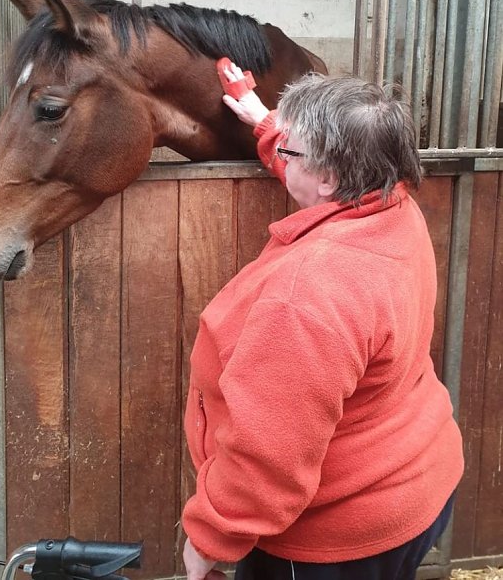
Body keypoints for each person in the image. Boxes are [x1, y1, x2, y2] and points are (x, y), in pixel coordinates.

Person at [181, 63, 464, 580]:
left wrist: (212, 537)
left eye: (291, 151)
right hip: (417, 484)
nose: (281, 154)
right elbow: (317, 180)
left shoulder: (307, 296)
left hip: (335, 538)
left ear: (331, 176)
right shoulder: (390, 203)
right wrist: (264, 123)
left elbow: (270, 451)